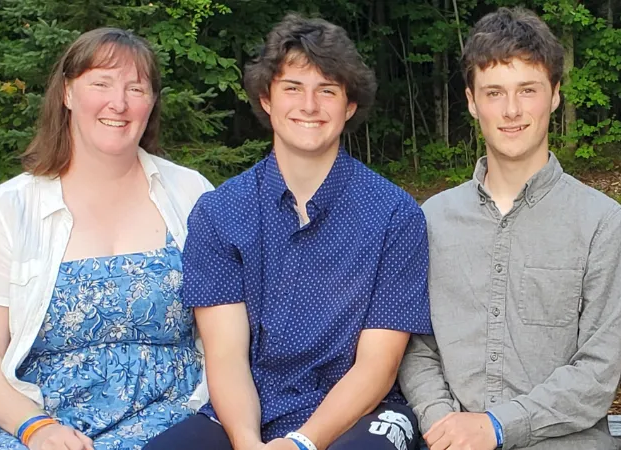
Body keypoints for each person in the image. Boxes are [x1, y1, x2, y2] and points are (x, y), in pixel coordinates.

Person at [144, 14, 432, 450]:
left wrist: (302, 442)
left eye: (327, 91)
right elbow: (226, 357)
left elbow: (378, 364)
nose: (310, 106)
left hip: (362, 412)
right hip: (251, 407)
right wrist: (246, 441)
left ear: (349, 105)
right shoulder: (220, 212)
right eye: (293, 88)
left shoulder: (395, 214)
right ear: (266, 99)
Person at [0, 28, 213, 450]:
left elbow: (230, 332)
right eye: (101, 83)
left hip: (175, 418)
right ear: (67, 94)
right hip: (40, 421)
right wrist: (36, 429)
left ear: (151, 103)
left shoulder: (192, 194)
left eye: (136, 88)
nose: (120, 103)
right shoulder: (10, 207)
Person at [397, 7, 621, 450]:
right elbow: (416, 348)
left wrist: (496, 426)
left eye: (527, 90)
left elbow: (598, 372)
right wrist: (444, 423)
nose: (511, 110)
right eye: (494, 93)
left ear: (555, 95)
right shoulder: (431, 219)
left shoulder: (604, 224)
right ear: (471, 101)